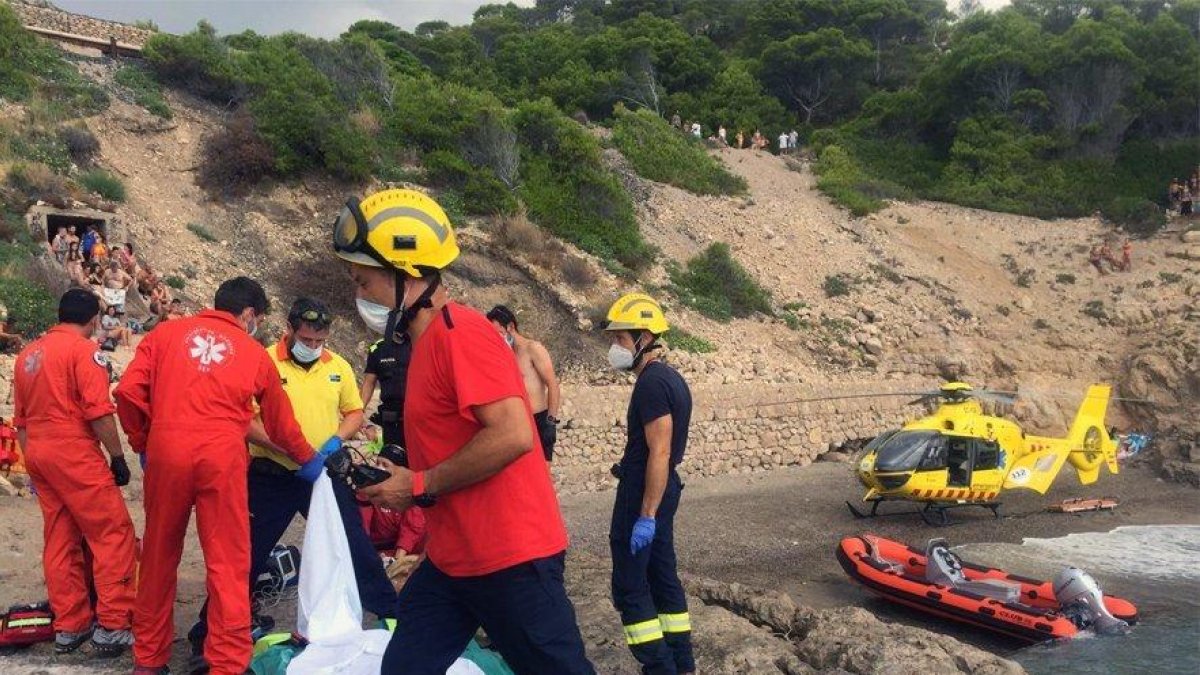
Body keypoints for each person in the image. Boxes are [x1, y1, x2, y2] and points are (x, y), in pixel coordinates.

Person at [333, 188, 593, 674]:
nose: (359, 295)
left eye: (364, 281)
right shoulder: (423, 345)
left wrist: (420, 483)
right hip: (453, 559)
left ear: (405, 276)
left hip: (510, 556)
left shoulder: (463, 335)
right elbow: (453, 446)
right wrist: (407, 480)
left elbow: (513, 434)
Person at [114, 277, 322, 675]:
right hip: (222, 459)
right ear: (248, 314)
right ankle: (226, 662)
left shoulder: (165, 334)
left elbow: (127, 392)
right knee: (228, 563)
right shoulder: (255, 353)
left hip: (167, 453)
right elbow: (281, 425)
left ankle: (149, 659)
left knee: (158, 557)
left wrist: (144, 441)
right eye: (257, 318)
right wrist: (309, 460)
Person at [186, 297, 397, 670]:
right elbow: (245, 419)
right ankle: (208, 634)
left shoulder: (338, 367)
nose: (313, 347)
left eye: (319, 341)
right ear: (290, 329)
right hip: (273, 475)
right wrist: (288, 449)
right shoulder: (262, 360)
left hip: (323, 475)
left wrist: (334, 441)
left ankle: (390, 614)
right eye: (306, 339)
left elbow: (352, 410)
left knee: (354, 544)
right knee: (244, 555)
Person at [12, 289, 137, 656]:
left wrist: (34, 461)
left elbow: (20, 421)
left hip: (37, 451)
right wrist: (117, 457)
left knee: (60, 538)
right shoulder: (84, 352)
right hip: (73, 452)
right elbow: (98, 411)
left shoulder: (27, 355)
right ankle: (113, 625)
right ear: (94, 319)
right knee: (112, 533)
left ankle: (70, 624)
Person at [604, 292, 694, 675]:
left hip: (645, 493)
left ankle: (659, 668)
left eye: (621, 339)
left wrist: (646, 514)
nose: (615, 348)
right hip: (662, 487)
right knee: (661, 576)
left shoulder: (652, 385)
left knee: (629, 586)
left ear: (643, 338)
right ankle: (682, 663)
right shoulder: (671, 378)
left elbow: (659, 451)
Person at [487, 305, 561, 462]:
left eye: (499, 333)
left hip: (539, 420)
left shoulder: (533, 348)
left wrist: (550, 422)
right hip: (517, 422)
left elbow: (552, 384)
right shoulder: (504, 355)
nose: (497, 337)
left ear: (511, 327)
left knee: (542, 476)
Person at [361, 334, 411, 447]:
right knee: (391, 459)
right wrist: (359, 412)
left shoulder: (420, 343)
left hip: (418, 420)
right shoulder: (378, 348)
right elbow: (369, 382)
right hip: (390, 422)